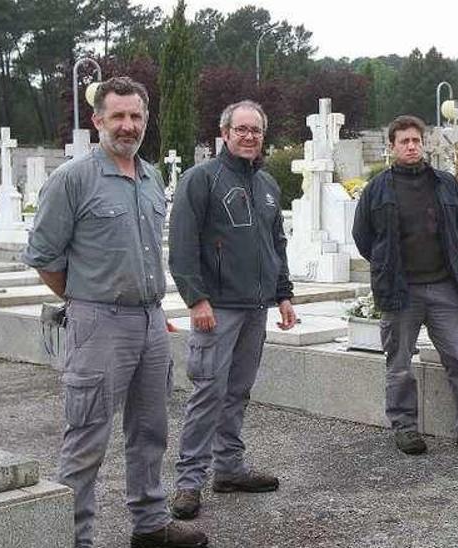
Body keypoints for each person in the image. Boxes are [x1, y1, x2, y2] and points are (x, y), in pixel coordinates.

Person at [22, 76, 207, 548]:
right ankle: (73, 539)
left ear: (145, 120)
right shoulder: (73, 179)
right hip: (98, 322)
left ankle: (149, 525)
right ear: (98, 119)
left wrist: (148, 307)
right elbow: (44, 256)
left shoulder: (150, 179)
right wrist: (85, 300)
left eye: (136, 116)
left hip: (149, 321)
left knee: (150, 432)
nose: (128, 125)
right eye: (118, 116)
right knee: (86, 439)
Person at [166, 100, 296, 520]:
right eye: (240, 129)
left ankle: (229, 468)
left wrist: (284, 294)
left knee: (238, 392)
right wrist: (196, 298)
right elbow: (182, 245)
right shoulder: (201, 180)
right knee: (208, 391)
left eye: (255, 131)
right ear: (224, 134)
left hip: (255, 307)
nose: (248, 137)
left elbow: (276, 245)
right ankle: (189, 482)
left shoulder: (268, 186)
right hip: (216, 308)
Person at [351, 115, 458, 455]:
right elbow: (363, 237)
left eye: (416, 140)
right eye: (403, 141)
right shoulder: (378, 188)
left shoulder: (445, 183)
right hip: (400, 291)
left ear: (424, 143)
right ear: (392, 147)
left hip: (445, 287)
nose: (411, 146)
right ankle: (405, 428)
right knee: (400, 365)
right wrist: (387, 266)